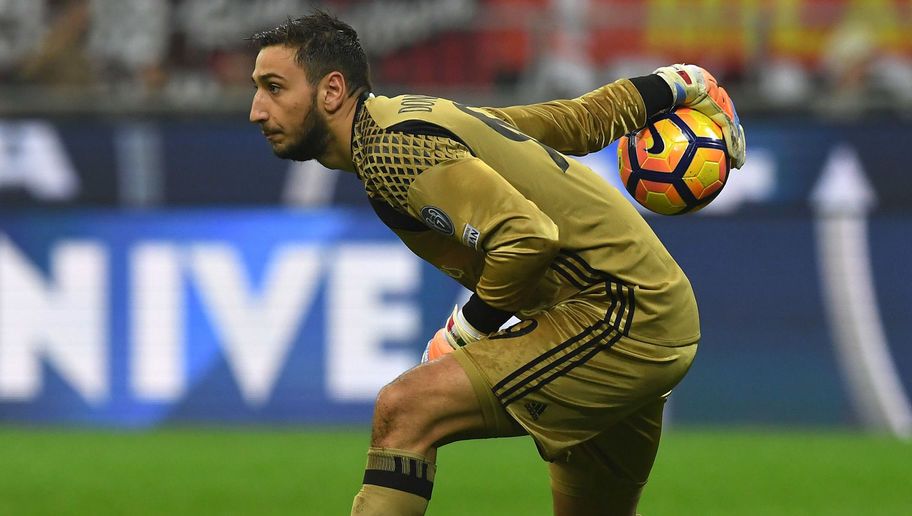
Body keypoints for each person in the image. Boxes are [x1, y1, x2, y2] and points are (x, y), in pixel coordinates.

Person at [248, 11, 745, 516]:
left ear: (332, 90)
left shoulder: (390, 148)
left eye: (273, 88)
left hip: (618, 316)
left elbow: (526, 237)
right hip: (639, 309)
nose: (256, 110)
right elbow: (572, 123)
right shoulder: (416, 116)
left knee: (406, 409)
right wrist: (679, 83)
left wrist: (464, 332)